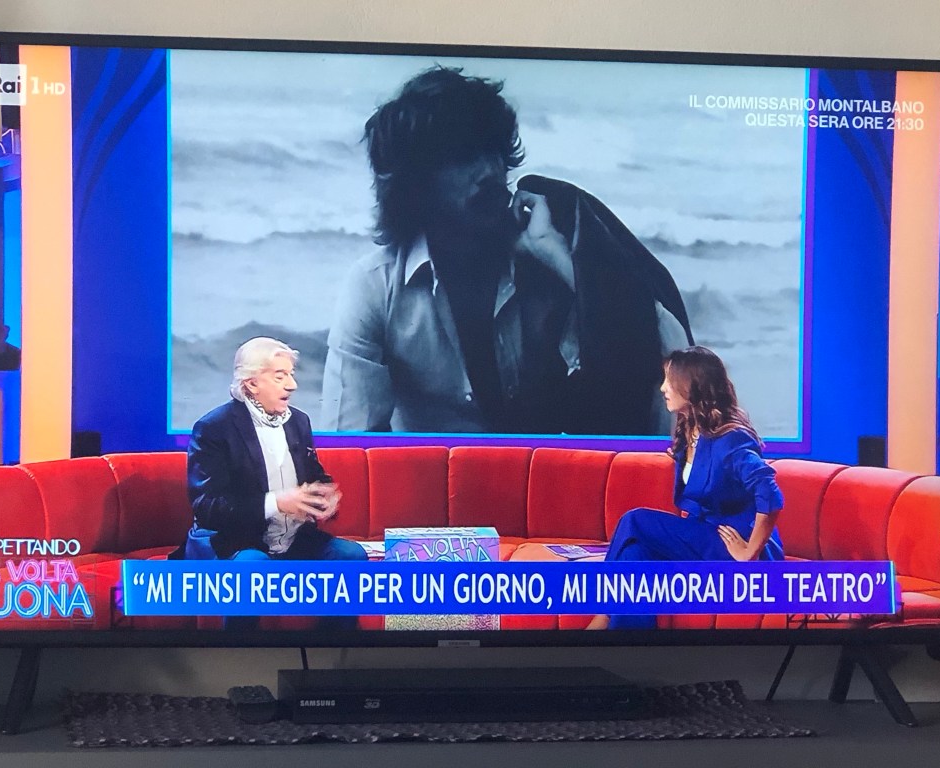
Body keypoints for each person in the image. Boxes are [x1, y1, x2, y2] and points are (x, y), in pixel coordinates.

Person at [320, 66, 692, 436]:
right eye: (463, 157)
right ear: (417, 182)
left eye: (493, 151)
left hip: (545, 473)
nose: (489, 171)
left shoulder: (545, 261)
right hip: (433, 476)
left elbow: (669, 358)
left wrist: (564, 262)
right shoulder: (377, 287)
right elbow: (349, 444)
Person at [587, 345, 784, 630]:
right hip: (704, 538)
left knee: (635, 520)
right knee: (635, 555)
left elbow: (770, 495)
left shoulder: (731, 439)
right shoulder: (691, 430)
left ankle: (602, 616)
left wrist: (749, 551)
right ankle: (630, 650)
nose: (663, 388)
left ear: (692, 385)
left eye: (670, 380)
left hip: (733, 547)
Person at [181, 337, 366, 630]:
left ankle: (330, 649)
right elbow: (207, 507)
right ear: (252, 384)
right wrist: (276, 503)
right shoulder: (214, 428)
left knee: (351, 556)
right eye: (280, 376)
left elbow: (314, 476)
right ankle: (238, 654)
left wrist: (323, 497)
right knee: (252, 568)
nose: (292, 385)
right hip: (236, 542)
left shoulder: (298, 422)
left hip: (294, 540)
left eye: (291, 375)